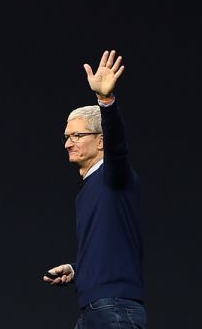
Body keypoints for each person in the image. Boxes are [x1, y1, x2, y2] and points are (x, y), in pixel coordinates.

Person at [42, 50, 146, 328]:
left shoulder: (114, 175)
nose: (68, 143)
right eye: (66, 136)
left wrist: (106, 101)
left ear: (101, 141)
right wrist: (77, 270)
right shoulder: (88, 188)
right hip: (95, 308)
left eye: (78, 135)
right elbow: (106, 247)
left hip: (114, 308)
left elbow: (118, 148)